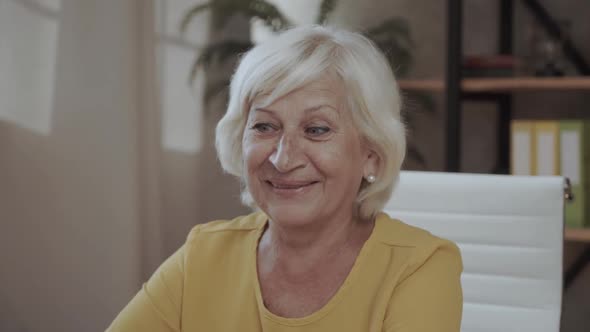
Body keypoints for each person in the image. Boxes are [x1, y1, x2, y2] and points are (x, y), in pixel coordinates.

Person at [107, 25, 463, 332]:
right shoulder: (204, 255)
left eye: (316, 129)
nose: (283, 157)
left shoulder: (419, 267)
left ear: (371, 152)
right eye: (264, 126)